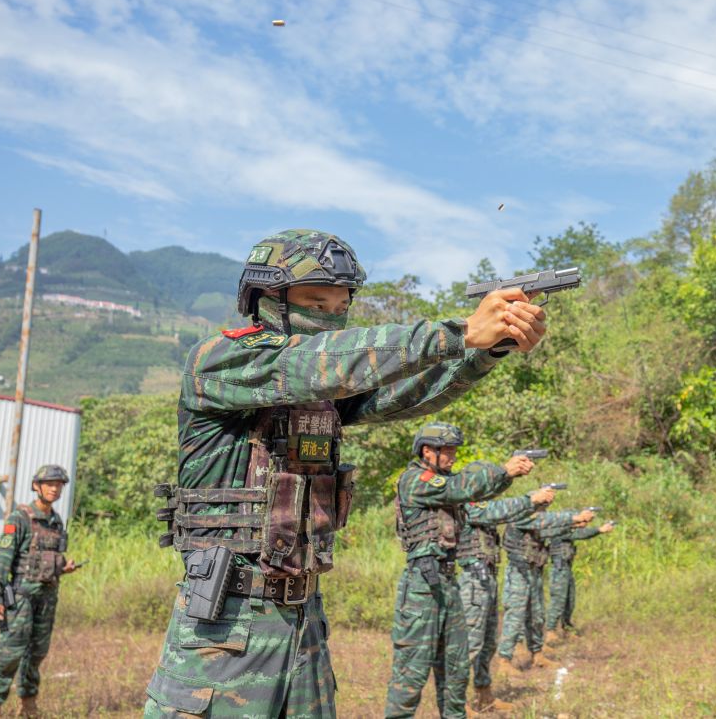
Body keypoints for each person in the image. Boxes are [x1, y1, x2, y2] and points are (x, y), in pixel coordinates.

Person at [144, 230, 547, 718]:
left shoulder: (322, 389)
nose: (331, 316)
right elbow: (324, 361)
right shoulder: (222, 361)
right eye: (317, 300)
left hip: (302, 618)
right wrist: (458, 332)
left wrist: (489, 349)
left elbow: (407, 392)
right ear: (266, 298)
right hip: (225, 627)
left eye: (340, 306)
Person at [385, 425, 537, 718]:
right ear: (427, 451)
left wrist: (507, 476)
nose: (453, 456)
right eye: (448, 451)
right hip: (421, 587)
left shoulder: (444, 482)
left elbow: (477, 491)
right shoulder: (416, 480)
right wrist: (503, 470)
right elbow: (461, 487)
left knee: (455, 672)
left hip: (447, 583)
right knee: (411, 675)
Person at [0, 464, 80, 719]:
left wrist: (63, 567)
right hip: (20, 597)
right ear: (37, 486)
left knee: (36, 653)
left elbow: (51, 556)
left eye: (59, 485)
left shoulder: (56, 521)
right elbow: (3, 562)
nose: (55, 489)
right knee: (10, 651)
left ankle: (28, 704)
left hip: (47, 597)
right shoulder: (20, 518)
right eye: (49, 484)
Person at [458, 481, 556, 713]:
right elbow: (498, 512)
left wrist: (533, 502)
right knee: (469, 644)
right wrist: (530, 500)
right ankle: (457, 704)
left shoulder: (482, 507)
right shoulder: (467, 506)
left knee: (488, 642)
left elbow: (505, 511)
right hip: (472, 582)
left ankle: (484, 695)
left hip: (486, 578)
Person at [495, 508, 595, 674]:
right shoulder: (522, 514)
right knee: (515, 615)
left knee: (537, 615)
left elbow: (554, 529)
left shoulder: (537, 521)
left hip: (534, 570)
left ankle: (537, 654)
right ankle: (505, 659)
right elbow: (545, 521)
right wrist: (573, 518)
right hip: (519, 571)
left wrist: (575, 523)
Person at [543, 520, 615, 645]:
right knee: (558, 601)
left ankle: (567, 628)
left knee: (569, 601)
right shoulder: (561, 530)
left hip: (566, 568)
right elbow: (581, 534)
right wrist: (599, 530)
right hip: (559, 569)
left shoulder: (566, 531)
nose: (583, 524)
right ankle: (550, 630)